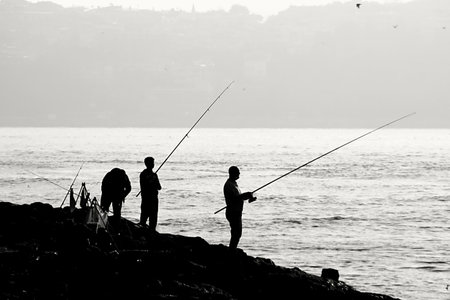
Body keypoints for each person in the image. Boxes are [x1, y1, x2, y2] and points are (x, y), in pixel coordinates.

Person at [223, 166, 256, 250]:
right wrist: (246, 195)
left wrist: (247, 195)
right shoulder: (229, 185)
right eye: (237, 172)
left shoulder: (234, 183)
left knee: (237, 233)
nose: (239, 174)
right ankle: (232, 251)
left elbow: (238, 197)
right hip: (233, 212)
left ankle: (232, 249)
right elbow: (235, 198)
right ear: (232, 173)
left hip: (237, 212)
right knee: (236, 233)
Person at [139, 157, 162, 231]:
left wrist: (154, 179)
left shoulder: (154, 175)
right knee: (144, 217)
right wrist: (151, 180)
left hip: (154, 199)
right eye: (151, 163)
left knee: (153, 218)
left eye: (153, 163)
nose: (152, 164)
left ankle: (152, 232)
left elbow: (159, 187)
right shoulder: (143, 174)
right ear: (147, 164)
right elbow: (144, 185)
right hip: (146, 199)